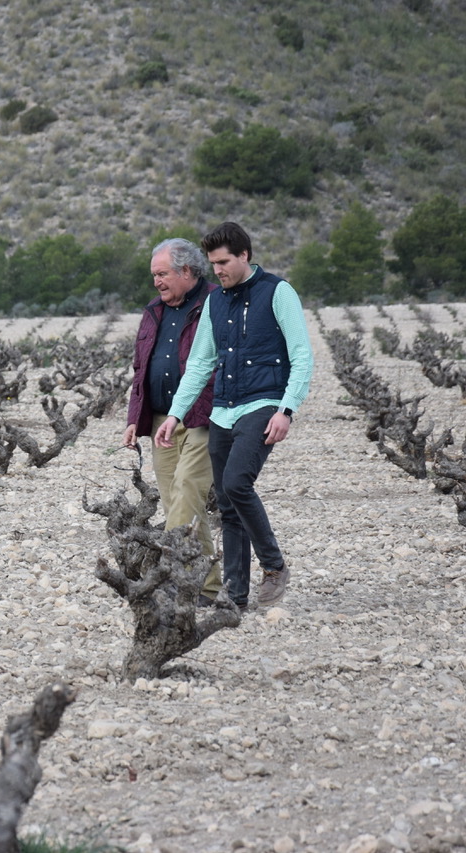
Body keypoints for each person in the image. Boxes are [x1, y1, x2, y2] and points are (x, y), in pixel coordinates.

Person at [155, 222, 313, 611]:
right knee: (227, 502)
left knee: (238, 483)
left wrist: (286, 409)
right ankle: (235, 596)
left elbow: (302, 354)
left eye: (224, 262)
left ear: (244, 255)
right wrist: (175, 415)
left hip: (264, 404)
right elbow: (200, 363)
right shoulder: (215, 301)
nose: (217, 270)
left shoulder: (278, 292)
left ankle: (274, 566)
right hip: (223, 409)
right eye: (213, 263)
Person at [122, 237, 220, 597]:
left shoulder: (216, 303)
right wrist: (135, 418)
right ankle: (206, 589)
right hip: (161, 420)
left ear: (187, 271)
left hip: (201, 415)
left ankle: (176, 580)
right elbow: (141, 368)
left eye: (162, 274)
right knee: (175, 500)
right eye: (154, 275)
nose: (157, 282)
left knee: (187, 491)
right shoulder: (153, 310)